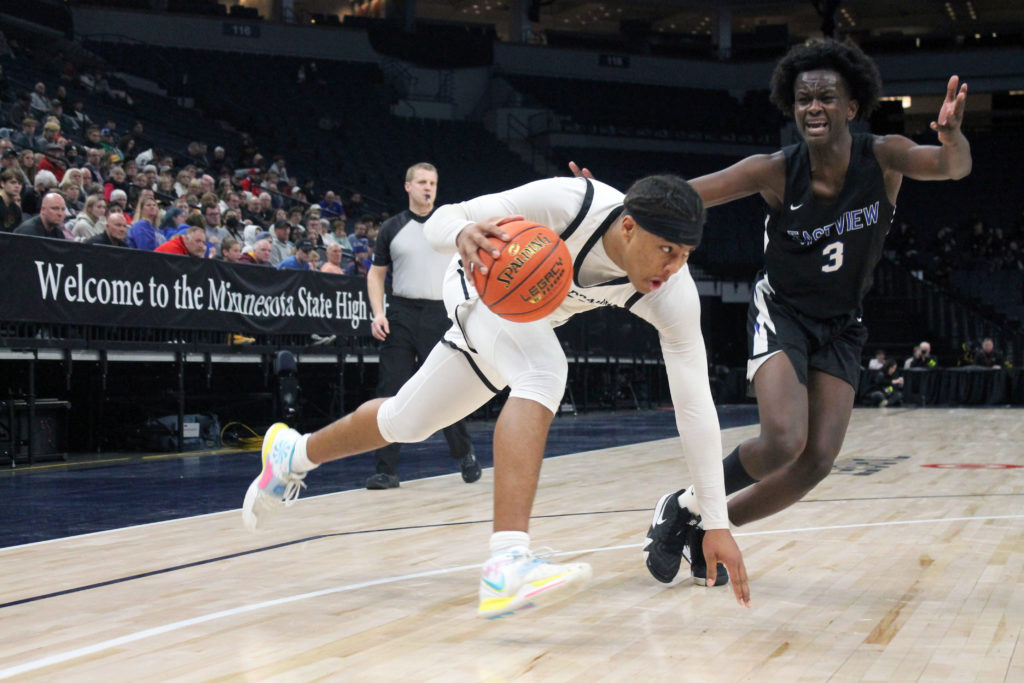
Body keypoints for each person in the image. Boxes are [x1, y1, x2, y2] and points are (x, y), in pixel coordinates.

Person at [240, 173, 751, 617]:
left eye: (685, 256)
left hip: (524, 319)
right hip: (476, 283)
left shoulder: (672, 293)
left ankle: (292, 453)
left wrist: (716, 521)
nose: (674, 266)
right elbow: (445, 218)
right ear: (629, 227)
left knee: (405, 422)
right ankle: (507, 564)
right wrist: (462, 233)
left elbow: (695, 406)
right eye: (667, 250)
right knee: (544, 372)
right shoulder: (569, 203)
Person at [584, 39, 971, 588]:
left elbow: (951, 167)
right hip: (783, 309)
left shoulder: (884, 157)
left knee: (816, 462)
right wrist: (605, 201)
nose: (814, 107)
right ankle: (690, 505)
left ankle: (698, 523)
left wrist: (951, 137)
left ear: (852, 107)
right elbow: (684, 196)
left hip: (842, 323)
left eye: (826, 98)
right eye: (803, 98)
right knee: (784, 439)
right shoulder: (775, 170)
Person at [363, 162, 480, 489]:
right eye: (423, 182)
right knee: (391, 390)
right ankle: (386, 470)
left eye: (433, 183)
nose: (428, 188)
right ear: (408, 187)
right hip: (401, 314)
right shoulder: (392, 227)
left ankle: (464, 453)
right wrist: (378, 313)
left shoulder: (449, 226)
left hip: (439, 314)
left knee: (444, 388)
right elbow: (376, 274)